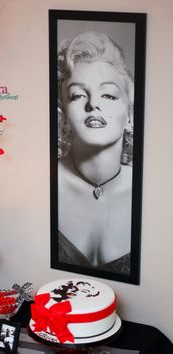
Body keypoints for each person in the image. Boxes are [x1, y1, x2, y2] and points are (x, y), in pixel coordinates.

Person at [57, 31, 134, 275]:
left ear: (130, 116)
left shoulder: (158, 192)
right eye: (78, 95)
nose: (93, 104)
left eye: (108, 94)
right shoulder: (40, 183)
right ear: (65, 117)